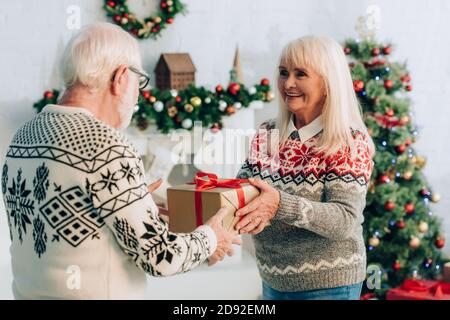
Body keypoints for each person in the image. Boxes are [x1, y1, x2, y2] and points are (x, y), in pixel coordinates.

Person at [0, 22, 239, 299]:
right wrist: (211, 238)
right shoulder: (106, 145)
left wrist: (133, 204)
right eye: (140, 82)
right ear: (121, 77)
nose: (138, 95)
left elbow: (65, 220)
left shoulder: (24, 134)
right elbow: (160, 258)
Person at [235, 35, 375, 300]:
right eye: (284, 73)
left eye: (301, 74)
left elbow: (345, 219)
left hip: (328, 284)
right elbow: (243, 188)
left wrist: (279, 204)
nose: (288, 83)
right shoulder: (268, 133)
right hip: (273, 279)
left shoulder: (347, 141)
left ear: (327, 83)